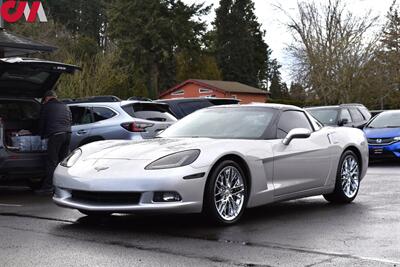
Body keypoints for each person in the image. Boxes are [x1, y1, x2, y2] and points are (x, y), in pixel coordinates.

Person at [37, 90, 72, 194]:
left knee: (52, 161)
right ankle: (63, 186)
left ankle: (48, 187)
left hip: (56, 135)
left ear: (47, 98)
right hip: (68, 134)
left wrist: (40, 135)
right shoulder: (65, 106)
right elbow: (70, 119)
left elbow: (42, 122)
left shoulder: (47, 106)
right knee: (62, 162)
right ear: (55, 97)